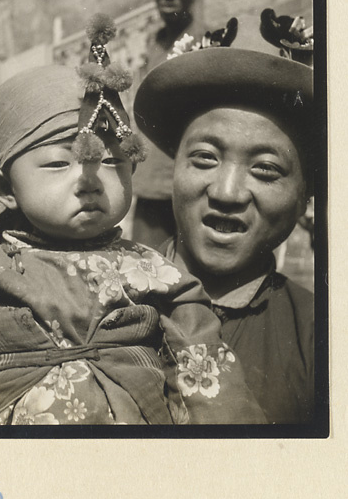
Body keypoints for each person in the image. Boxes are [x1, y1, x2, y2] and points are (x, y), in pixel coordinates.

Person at [0, 16, 265, 426]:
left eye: (114, 161)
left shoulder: (162, 279)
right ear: (4, 189)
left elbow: (213, 389)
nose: (89, 181)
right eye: (59, 163)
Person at [134, 25, 317, 424]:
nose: (227, 192)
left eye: (266, 169)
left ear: (306, 195)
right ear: (174, 169)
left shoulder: (320, 335)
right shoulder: (107, 298)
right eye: (204, 158)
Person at [132, 0, 204, 248]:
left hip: (189, 188)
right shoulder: (154, 44)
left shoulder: (206, 42)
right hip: (150, 187)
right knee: (145, 273)